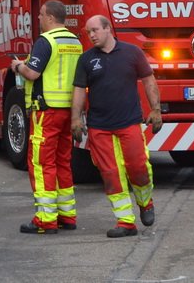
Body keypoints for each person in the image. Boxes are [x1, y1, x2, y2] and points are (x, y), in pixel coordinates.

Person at [71, 15, 163, 238]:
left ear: (107, 29)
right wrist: (75, 119)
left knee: (139, 168)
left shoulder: (132, 53)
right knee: (111, 173)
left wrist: (156, 110)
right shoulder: (86, 60)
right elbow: (78, 90)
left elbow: (149, 80)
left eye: (95, 30)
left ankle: (145, 203)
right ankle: (125, 221)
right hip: (99, 126)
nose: (91, 35)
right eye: (88, 32)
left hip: (129, 122)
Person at [11, 0, 83, 235]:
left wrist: (18, 66)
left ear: (51, 18)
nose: (39, 18)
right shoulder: (75, 42)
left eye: (41, 14)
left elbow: (32, 73)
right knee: (63, 162)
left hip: (47, 111)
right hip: (69, 111)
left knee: (41, 163)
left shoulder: (46, 41)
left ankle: (45, 218)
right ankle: (67, 215)